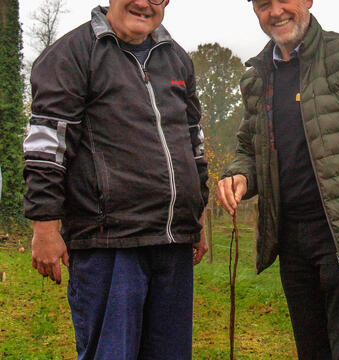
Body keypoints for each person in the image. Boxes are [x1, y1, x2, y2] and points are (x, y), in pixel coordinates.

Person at [216, 0, 339, 358]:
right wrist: (239, 175)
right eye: (263, 4)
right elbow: (250, 148)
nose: (275, 11)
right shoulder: (257, 77)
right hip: (292, 243)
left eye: (284, 0)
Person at [23, 0, 209, 358]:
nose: (143, 3)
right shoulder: (72, 54)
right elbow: (47, 145)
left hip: (172, 244)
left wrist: (195, 218)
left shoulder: (177, 59)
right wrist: (44, 228)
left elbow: (193, 143)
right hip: (108, 244)